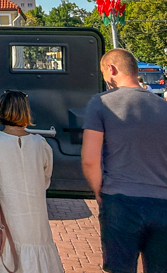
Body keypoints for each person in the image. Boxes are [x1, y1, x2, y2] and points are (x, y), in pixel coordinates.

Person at [82, 48, 167, 273]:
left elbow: (90, 159)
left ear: (112, 69)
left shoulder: (101, 103)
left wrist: (99, 191)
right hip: (162, 202)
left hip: (120, 200)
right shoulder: (164, 107)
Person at [0, 90, 63, 273]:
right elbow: (45, 182)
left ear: (0, 111)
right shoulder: (41, 144)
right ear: (26, 112)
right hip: (36, 226)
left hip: (1, 222)